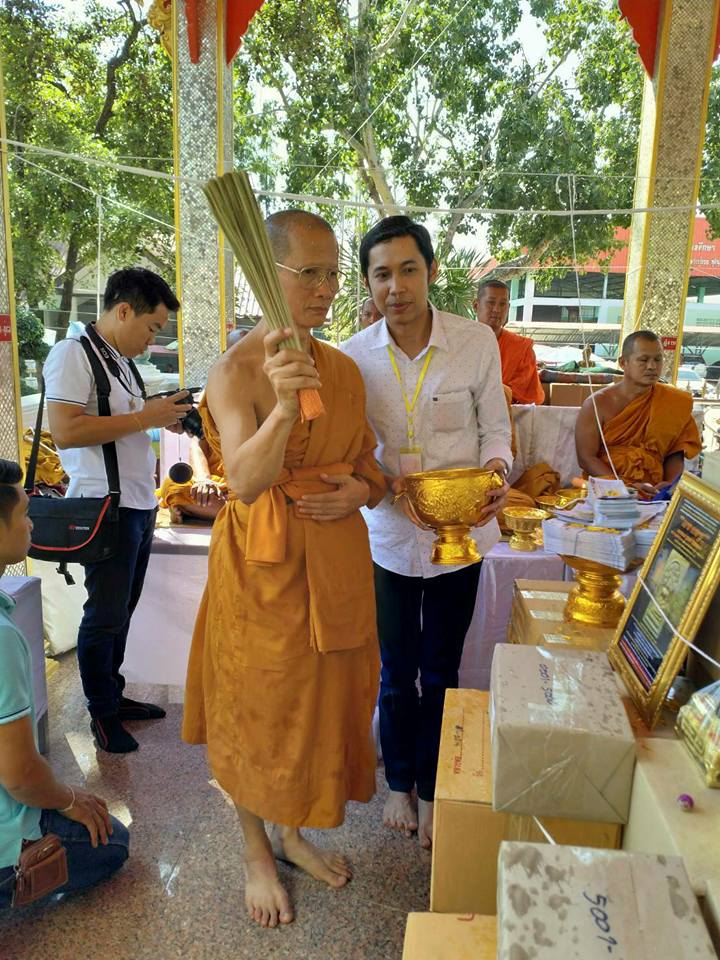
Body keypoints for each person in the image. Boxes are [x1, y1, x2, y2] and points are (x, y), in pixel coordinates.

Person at [182, 210, 386, 929]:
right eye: (313, 273)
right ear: (269, 277)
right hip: (261, 573)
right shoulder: (234, 370)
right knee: (255, 708)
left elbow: (370, 466)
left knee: (318, 708)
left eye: (336, 273)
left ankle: (292, 831)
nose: (329, 288)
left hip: (333, 565)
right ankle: (254, 850)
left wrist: (362, 491)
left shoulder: (345, 370)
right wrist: (281, 408)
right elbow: (241, 479)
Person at [342, 216, 511, 850]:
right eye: (382, 274)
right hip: (387, 536)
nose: (396, 286)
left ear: (432, 272)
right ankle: (400, 785)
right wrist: (379, 486)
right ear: (369, 282)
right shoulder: (354, 357)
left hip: (459, 539)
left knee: (442, 668)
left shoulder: (475, 344)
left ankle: (437, 788)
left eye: (408, 269)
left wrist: (495, 472)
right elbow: (355, 449)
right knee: (395, 668)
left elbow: (496, 428)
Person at [43, 267, 192, 753]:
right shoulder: (73, 353)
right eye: (151, 328)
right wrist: (144, 416)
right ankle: (102, 714)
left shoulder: (121, 361)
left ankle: (115, 695)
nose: (152, 341)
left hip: (137, 504)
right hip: (103, 506)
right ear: (123, 310)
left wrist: (163, 416)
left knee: (122, 612)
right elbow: (65, 430)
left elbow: (124, 423)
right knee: (103, 615)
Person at [0, 459, 129, 908]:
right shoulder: (2, 638)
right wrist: (70, 798)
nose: (32, 523)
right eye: (23, 515)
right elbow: (19, 775)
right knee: (114, 840)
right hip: (6, 838)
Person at [575, 330, 701, 497]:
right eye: (643, 360)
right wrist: (623, 487)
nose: (652, 366)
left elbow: (675, 452)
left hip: (655, 490)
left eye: (658, 359)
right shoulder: (597, 403)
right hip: (607, 490)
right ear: (623, 362)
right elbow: (586, 457)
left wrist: (669, 483)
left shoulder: (673, 402)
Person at [474, 279, 544, 405]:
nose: (496, 309)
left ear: (508, 307)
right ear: (475, 305)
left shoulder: (521, 348)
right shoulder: (460, 342)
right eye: (490, 302)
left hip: (508, 418)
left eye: (502, 304)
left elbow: (524, 395)